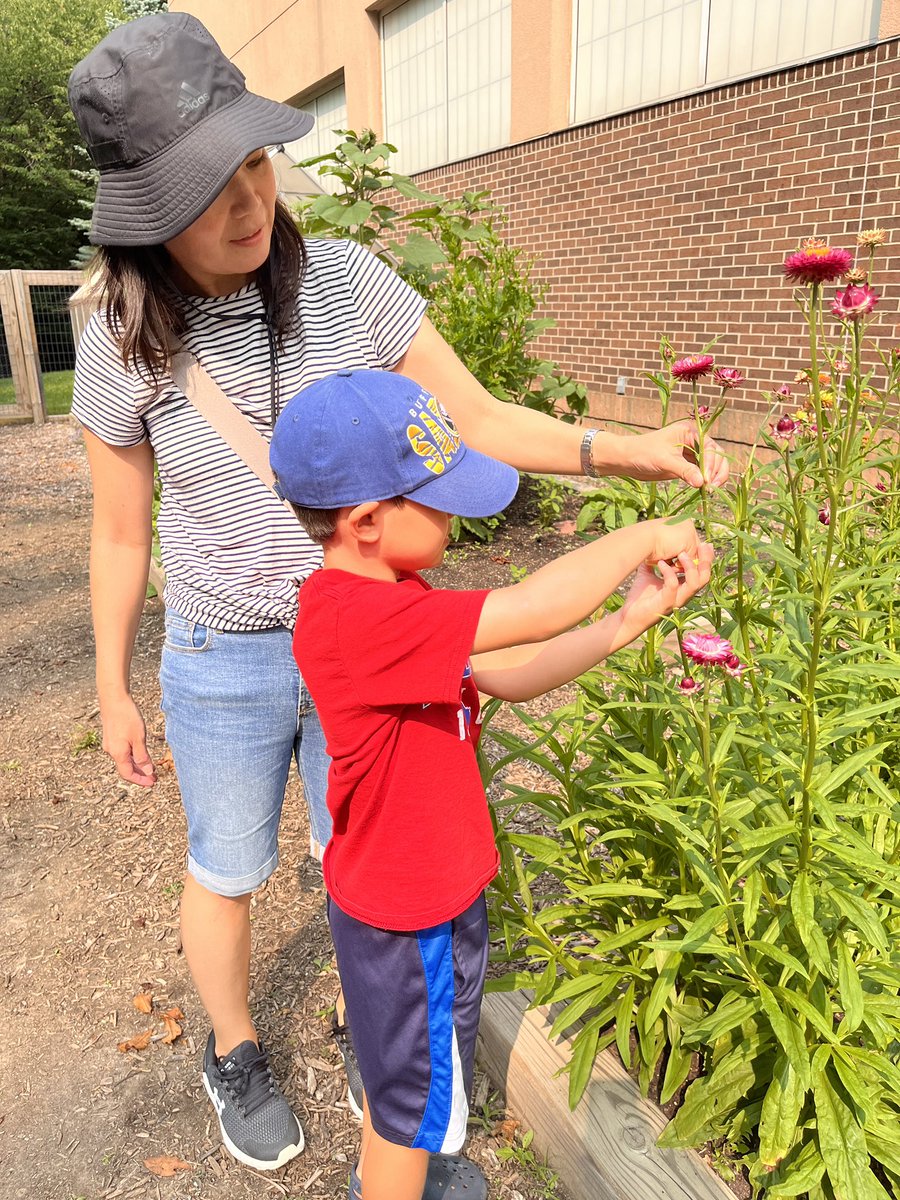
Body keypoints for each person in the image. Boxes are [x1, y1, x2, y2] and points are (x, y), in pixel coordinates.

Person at [67, 9, 728, 1177]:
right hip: (224, 645)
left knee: (360, 856)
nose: (250, 201)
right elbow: (122, 533)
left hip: (380, 636)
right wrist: (116, 685)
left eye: (257, 162)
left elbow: (471, 421)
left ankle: (394, 1073)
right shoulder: (121, 336)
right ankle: (237, 1051)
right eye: (209, 184)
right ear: (144, 213)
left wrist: (629, 451)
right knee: (228, 864)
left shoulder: (343, 282)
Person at [269, 368, 714, 1200]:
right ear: (366, 521)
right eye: (436, 502)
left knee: (404, 1081)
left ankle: (395, 1173)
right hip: (416, 917)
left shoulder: (387, 597)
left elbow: (507, 671)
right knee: (414, 1105)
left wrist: (628, 621)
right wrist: (643, 535)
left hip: (411, 900)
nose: (453, 518)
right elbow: (533, 607)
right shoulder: (359, 622)